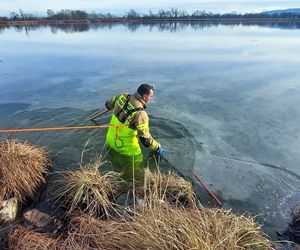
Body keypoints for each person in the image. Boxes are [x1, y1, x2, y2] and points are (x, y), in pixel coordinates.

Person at [105, 84, 165, 160]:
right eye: (150, 97)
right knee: (137, 169)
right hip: (127, 151)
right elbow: (145, 140)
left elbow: (107, 104)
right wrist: (157, 147)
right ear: (145, 96)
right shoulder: (141, 114)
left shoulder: (122, 96)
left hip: (110, 141)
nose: (150, 99)